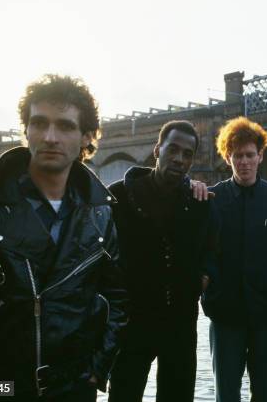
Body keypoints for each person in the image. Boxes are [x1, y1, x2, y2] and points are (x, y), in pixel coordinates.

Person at [0, 74, 127, 401]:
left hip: (72, 387)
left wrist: (97, 369)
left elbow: (117, 298)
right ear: (26, 130)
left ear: (87, 137)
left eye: (65, 126)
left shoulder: (100, 214)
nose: (50, 136)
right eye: (39, 123)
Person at [107, 120, 210, 402]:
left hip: (181, 324)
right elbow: (102, 259)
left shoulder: (197, 201)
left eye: (187, 154)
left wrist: (203, 275)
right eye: (173, 150)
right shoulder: (117, 197)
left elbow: (212, 248)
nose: (179, 159)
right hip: (132, 323)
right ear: (157, 150)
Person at [201, 116, 267, 402]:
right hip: (225, 317)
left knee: (265, 394)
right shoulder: (213, 199)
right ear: (227, 157)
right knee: (226, 395)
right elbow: (205, 254)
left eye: (249, 155)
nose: (243, 162)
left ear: (260, 156)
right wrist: (211, 299)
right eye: (237, 156)